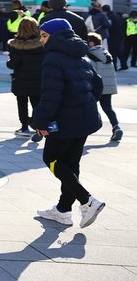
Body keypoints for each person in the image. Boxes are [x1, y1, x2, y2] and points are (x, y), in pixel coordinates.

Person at [31, 19, 106, 228]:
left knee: (51, 158)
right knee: (71, 164)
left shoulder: (53, 58)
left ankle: (87, 200)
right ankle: (63, 210)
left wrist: (40, 121)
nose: (41, 40)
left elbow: (51, 95)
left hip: (64, 121)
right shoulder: (81, 54)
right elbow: (97, 85)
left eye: (44, 36)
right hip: (85, 118)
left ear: (55, 36)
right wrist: (84, 102)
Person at [6, 17, 45, 136]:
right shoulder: (42, 43)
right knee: (36, 102)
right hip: (38, 78)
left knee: (21, 102)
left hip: (21, 78)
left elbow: (13, 64)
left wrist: (8, 61)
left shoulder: (15, 44)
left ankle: (24, 127)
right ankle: (37, 124)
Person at [86, 33, 123, 142]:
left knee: (89, 108)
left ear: (91, 43)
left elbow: (91, 73)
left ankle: (85, 130)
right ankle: (116, 126)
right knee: (108, 108)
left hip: (96, 87)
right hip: (108, 87)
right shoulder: (106, 54)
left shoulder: (91, 55)